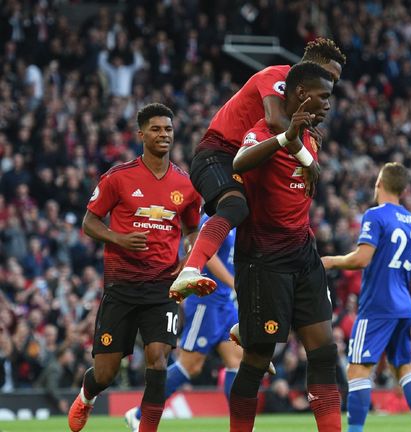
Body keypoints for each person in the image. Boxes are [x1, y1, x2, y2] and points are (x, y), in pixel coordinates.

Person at [169, 38, 345, 302]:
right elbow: (275, 121)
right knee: (235, 207)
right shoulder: (276, 75)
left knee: (273, 223)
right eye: (330, 76)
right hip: (219, 154)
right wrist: (307, 158)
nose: (331, 86)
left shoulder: (299, 108)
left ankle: (253, 314)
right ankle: (191, 268)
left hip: (254, 160)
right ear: (311, 67)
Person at [67, 103, 202, 432]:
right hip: (121, 286)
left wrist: (189, 261)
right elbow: (89, 221)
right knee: (105, 373)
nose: (163, 135)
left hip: (162, 286)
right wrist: (119, 238)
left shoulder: (185, 184)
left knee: (158, 359)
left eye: (168, 129)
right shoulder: (119, 177)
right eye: (156, 129)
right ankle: (87, 396)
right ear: (141, 134)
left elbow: (193, 230)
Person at [227, 62, 339, 432]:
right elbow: (239, 162)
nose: (327, 104)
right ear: (300, 94)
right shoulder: (264, 131)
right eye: (323, 97)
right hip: (263, 258)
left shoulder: (309, 136)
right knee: (258, 359)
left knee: (324, 350)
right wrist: (283, 137)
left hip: (303, 254)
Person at [321, 162, 411, 432]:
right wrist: (400, 280)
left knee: (358, 369)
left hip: (377, 304)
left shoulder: (376, 215)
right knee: (403, 367)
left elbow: (361, 259)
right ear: (404, 189)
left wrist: (330, 262)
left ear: (379, 183)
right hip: (403, 304)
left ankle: (355, 431)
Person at [124, 213, 244, 431]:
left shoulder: (236, 217)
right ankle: (139, 414)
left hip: (225, 302)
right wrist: (234, 283)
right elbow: (209, 255)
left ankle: (241, 426)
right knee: (190, 365)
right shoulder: (212, 218)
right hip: (205, 300)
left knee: (236, 361)